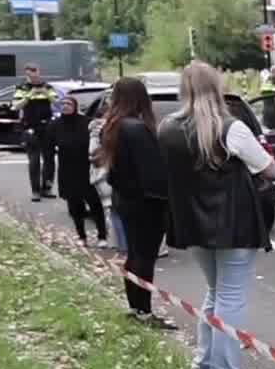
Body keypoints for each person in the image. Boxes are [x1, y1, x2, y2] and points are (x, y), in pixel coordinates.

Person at [160, 61, 275, 369]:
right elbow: (270, 169)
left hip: (192, 224)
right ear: (216, 87)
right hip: (234, 222)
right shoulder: (231, 128)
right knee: (230, 299)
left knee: (214, 294)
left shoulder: (167, 127)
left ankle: (205, 365)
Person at [94, 77, 173, 325]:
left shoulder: (113, 126)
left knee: (134, 254)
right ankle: (144, 310)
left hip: (125, 199)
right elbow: (152, 171)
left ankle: (135, 307)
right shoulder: (137, 129)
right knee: (145, 256)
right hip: (146, 202)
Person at [50, 95, 108, 246]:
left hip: (86, 169)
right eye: (63, 104)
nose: (65, 106)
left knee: (95, 204)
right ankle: (82, 236)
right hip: (67, 170)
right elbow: (48, 146)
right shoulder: (56, 125)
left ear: (75, 106)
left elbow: (98, 139)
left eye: (69, 104)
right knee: (75, 206)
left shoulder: (86, 123)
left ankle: (102, 236)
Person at [14, 64, 58, 200]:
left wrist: (46, 93)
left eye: (35, 72)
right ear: (26, 74)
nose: (33, 75)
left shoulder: (48, 86)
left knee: (49, 159)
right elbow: (15, 106)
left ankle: (47, 188)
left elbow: (57, 103)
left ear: (39, 72)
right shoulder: (22, 88)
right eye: (30, 73)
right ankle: (35, 191)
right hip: (30, 127)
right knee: (34, 160)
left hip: (47, 127)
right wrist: (28, 96)